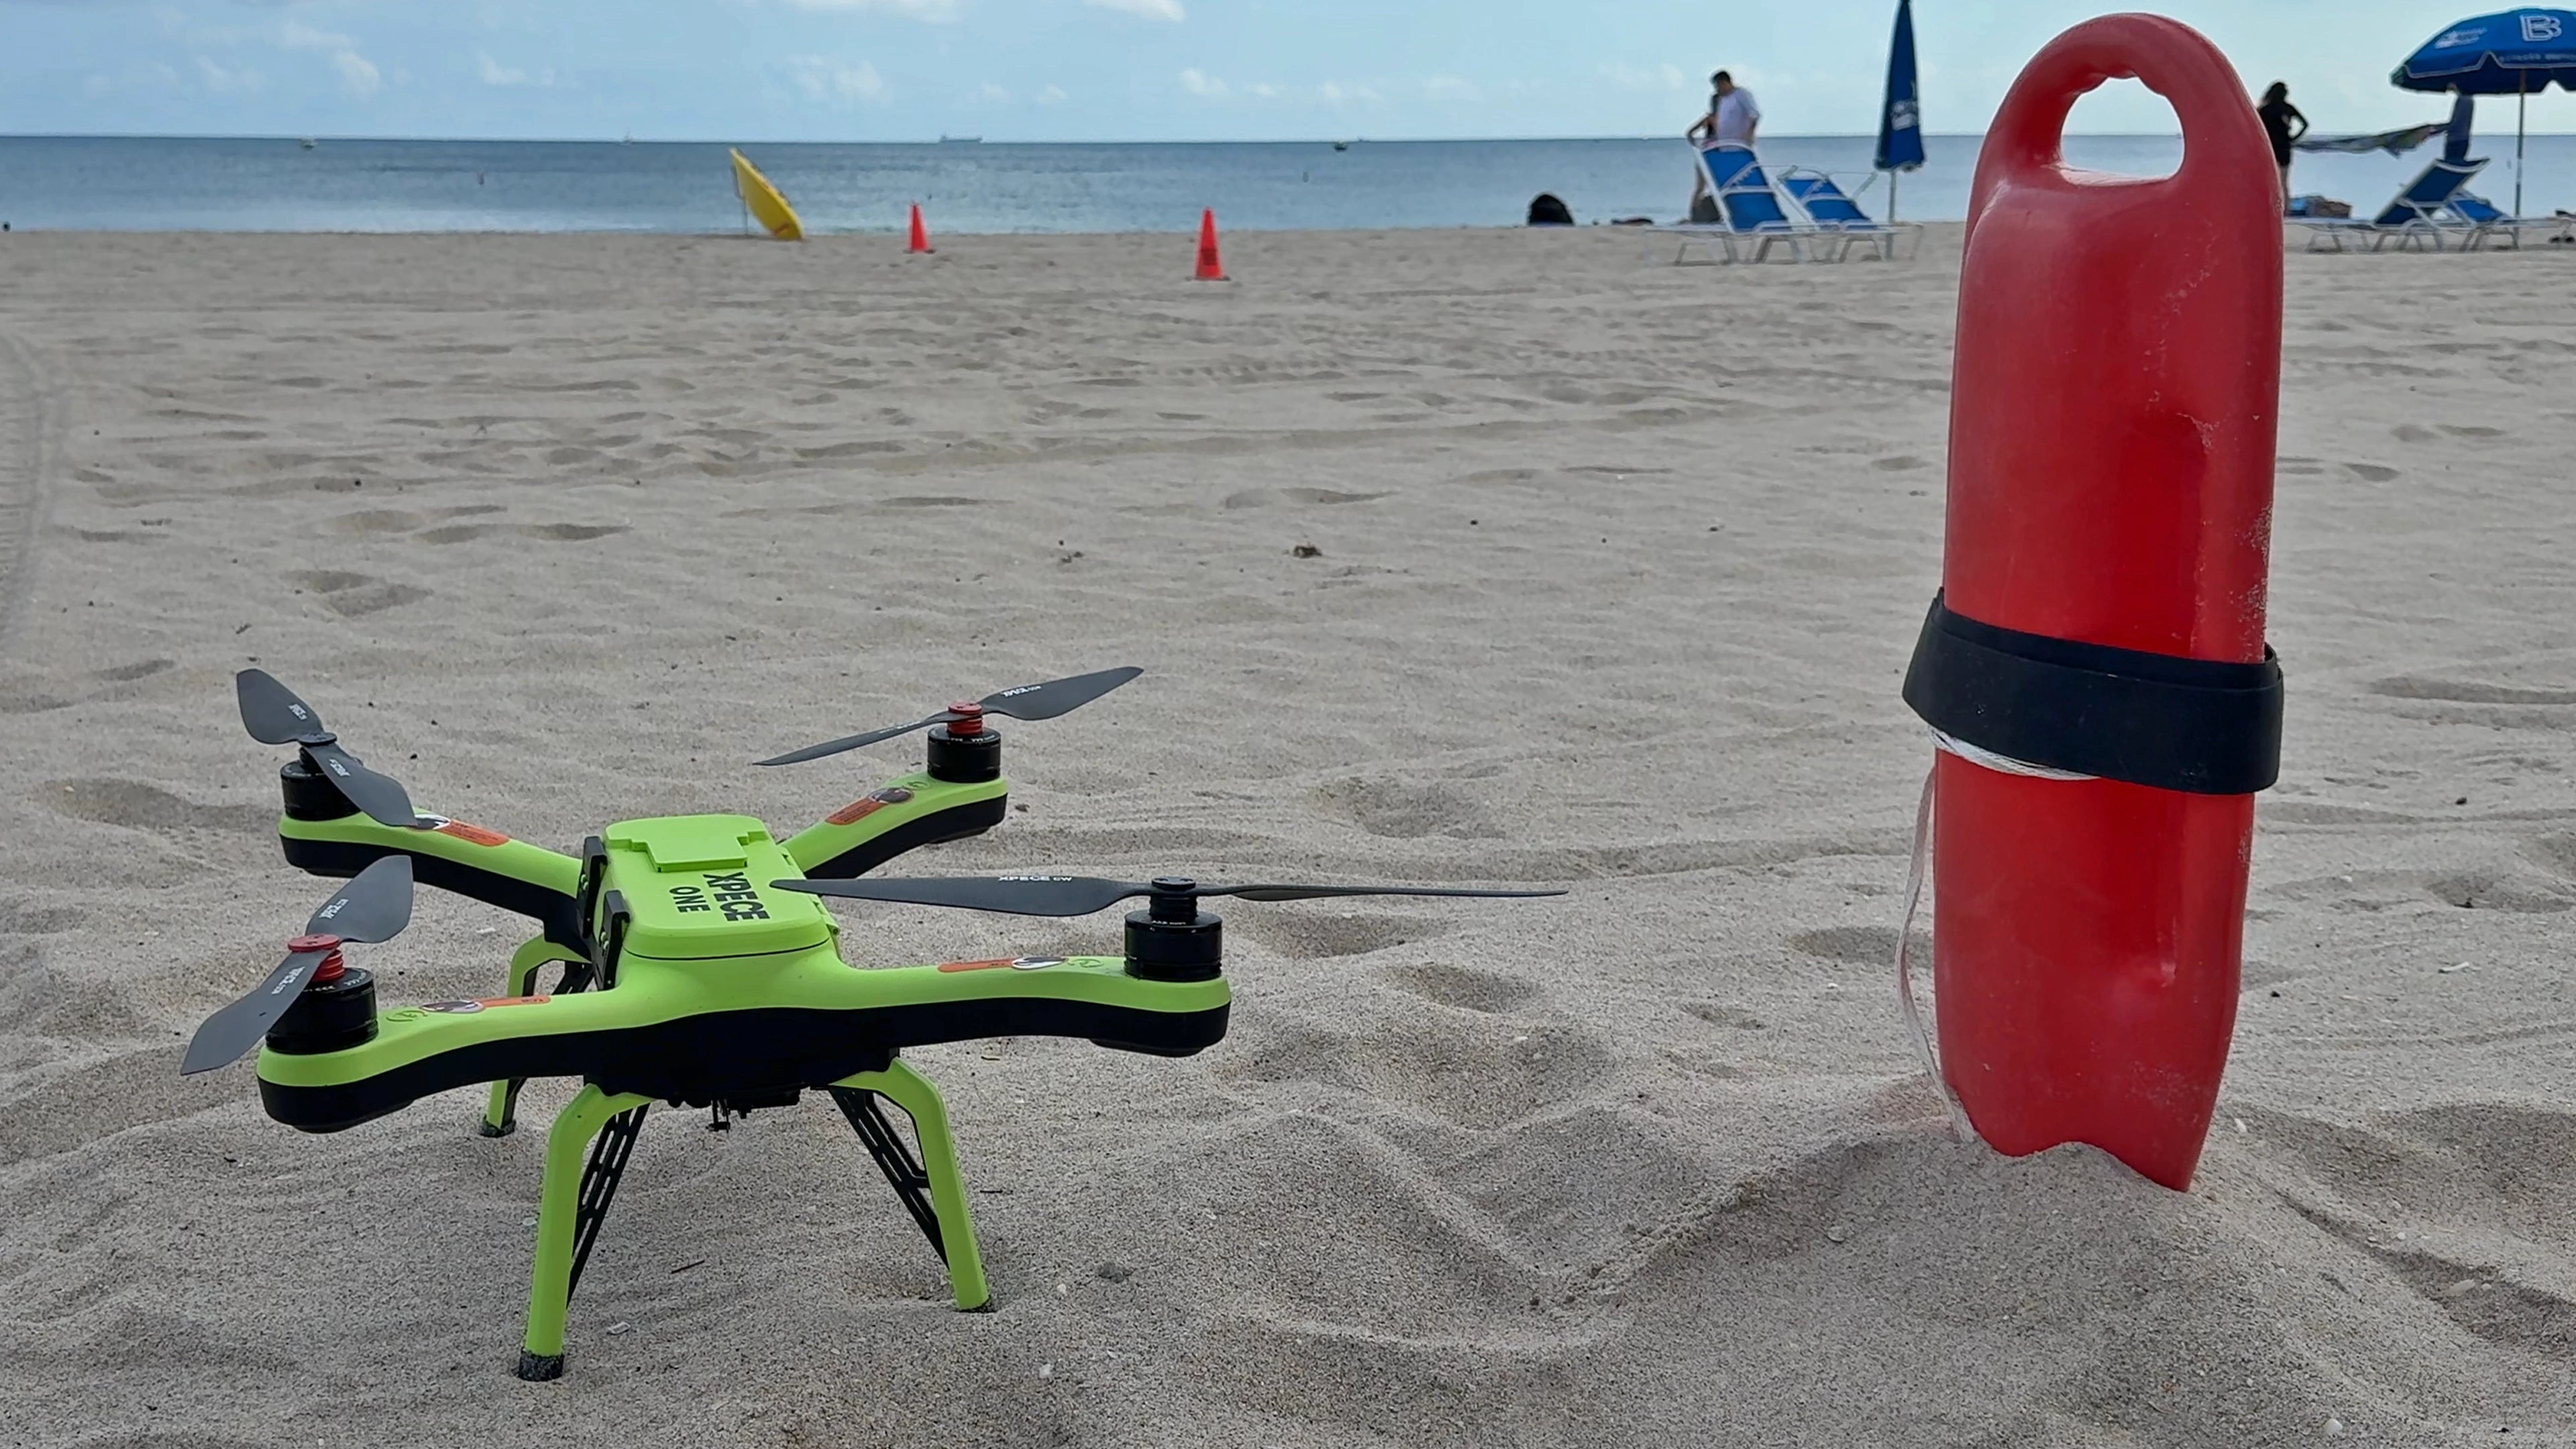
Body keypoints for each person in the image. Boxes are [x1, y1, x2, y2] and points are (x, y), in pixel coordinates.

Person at [2256, 82, 2308, 205]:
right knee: (2284, 181)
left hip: (2269, 147)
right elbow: (2305, 124)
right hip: (2284, 146)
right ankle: (2285, 210)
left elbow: (2257, 128)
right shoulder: (2288, 108)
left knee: (2267, 179)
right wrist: (2293, 138)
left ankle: (2266, 206)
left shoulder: (2264, 109)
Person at [1686, 70, 1760, 152]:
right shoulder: (1722, 99)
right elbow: (1713, 117)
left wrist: (1748, 135)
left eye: (1717, 86)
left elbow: (1754, 115)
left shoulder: (1741, 94)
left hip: (1740, 145)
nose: (1717, 89)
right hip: (1724, 146)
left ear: (1723, 83)